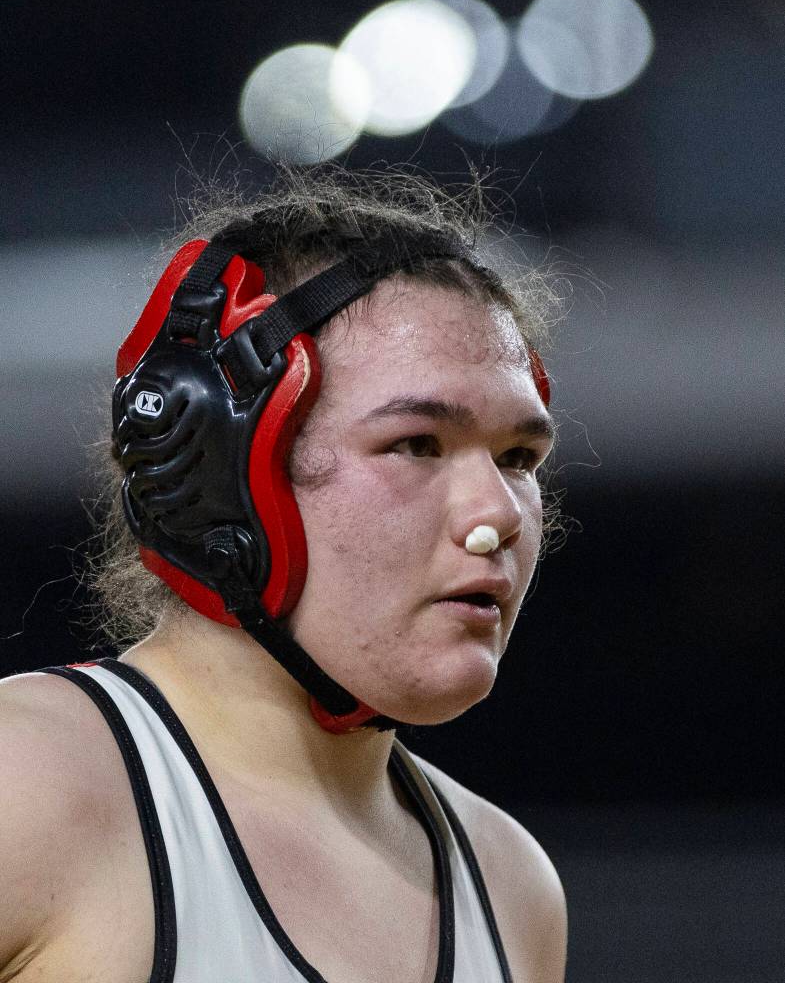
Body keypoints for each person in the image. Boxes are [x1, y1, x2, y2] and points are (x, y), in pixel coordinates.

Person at [0, 163, 567, 982]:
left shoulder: (510, 887)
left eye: (518, 457)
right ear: (215, 470)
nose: (496, 517)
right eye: (415, 444)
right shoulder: (29, 786)